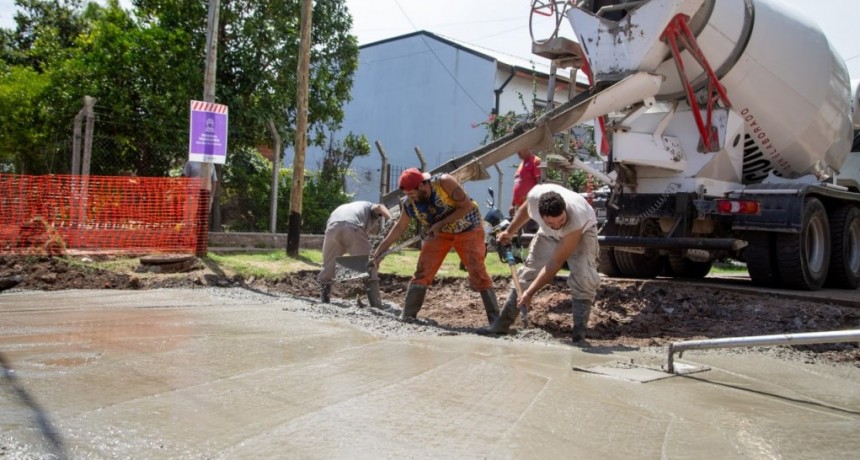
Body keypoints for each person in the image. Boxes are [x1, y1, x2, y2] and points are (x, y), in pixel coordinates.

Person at [371, 168, 500, 325]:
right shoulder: (409, 203)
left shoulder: (444, 182)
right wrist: (378, 254)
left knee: (477, 272)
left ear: (422, 185)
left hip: (468, 229)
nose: (411, 198)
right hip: (439, 233)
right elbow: (398, 228)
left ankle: (496, 321)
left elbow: (467, 207)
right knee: (422, 271)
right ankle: (408, 316)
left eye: (412, 194)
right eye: (407, 195)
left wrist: (439, 224)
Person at [486, 183, 600, 342]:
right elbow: (525, 210)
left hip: (583, 229)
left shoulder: (574, 218)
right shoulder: (534, 198)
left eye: (561, 220)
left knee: (584, 278)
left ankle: (578, 336)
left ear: (564, 211)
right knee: (529, 272)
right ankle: (501, 325)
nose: (558, 225)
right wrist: (510, 232)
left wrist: (530, 293)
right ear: (540, 215)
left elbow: (554, 264)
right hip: (547, 234)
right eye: (552, 223)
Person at [318, 201, 392, 307]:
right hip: (352, 226)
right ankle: (375, 304)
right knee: (369, 266)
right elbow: (380, 206)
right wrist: (393, 220)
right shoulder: (369, 205)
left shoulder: (349, 207)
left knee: (328, 267)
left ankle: (325, 302)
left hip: (332, 228)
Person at [510, 148, 541, 233]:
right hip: (519, 208)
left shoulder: (536, 161)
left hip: (530, 207)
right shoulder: (521, 164)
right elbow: (518, 183)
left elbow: (539, 184)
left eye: (521, 147)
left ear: (528, 147)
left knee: (529, 235)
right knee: (521, 238)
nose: (518, 151)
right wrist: (512, 204)